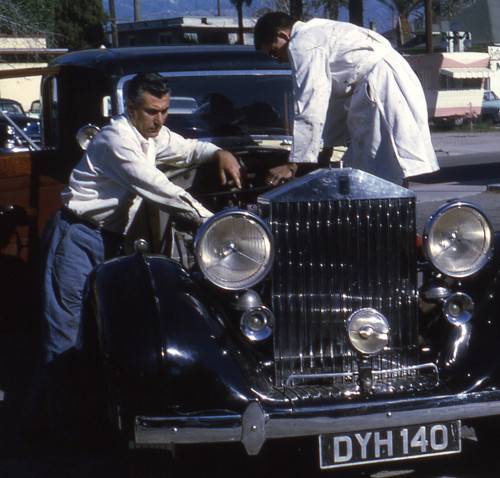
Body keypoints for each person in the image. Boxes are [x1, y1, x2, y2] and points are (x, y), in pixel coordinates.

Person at [38, 72, 243, 437]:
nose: (159, 120)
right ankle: (63, 437)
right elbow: (158, 188)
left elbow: (188, 148)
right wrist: (217, 223)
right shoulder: (117, 140)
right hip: (77, 237)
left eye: (164, 111)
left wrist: (219, 152)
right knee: (66, 334)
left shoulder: (152, 135)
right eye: (151, 112)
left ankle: (76, 421)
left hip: (111, 240)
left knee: (104, 331)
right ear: (130, 108)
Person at [254, 12, 439, 186]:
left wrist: (295, 165)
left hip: (381, 86)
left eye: (273, 52)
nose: (278, 60)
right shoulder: (320, 31)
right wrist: (325, 148)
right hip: (395, 77)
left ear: (283, 36)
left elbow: (311, 101)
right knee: (387, 164)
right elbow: (331, 99)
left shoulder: (302, 43)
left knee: (379, 169)